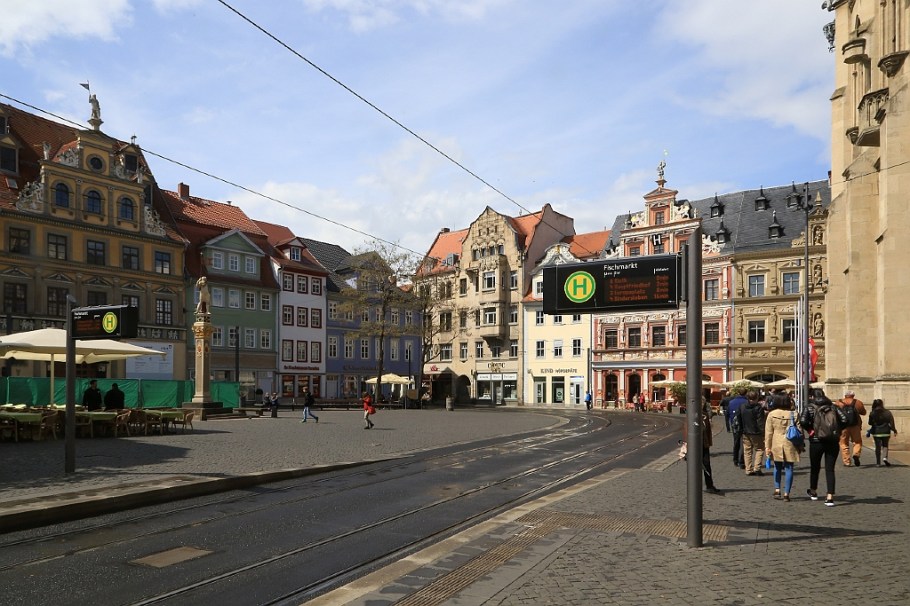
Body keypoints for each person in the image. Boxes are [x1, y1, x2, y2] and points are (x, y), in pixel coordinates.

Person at [800, 388, 840, 506]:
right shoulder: (833, 407)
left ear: (812, 396)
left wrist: (810, 430)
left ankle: (813, 491)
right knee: (830, 469)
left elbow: (802, 421)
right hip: (832, 441)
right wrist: (838, 430)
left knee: (815, 467)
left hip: (816, 441)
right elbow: (844, 419)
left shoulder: (809, 407)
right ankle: (830, 496)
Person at [764, 393, 801, 501]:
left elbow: (769, 433)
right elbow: (799, 430)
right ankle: (786, 493)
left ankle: (777, 489)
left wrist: (767, 447)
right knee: (789, 468)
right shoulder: (794, 414)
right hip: (790, 442)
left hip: (776, 441)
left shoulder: (772, 414)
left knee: (777, 467)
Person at [682, 397, 721, 494]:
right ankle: (694, 486)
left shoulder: (705, 415)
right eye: (701, 403)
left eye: (703, 403)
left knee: (707, 465)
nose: (702, 405)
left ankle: (709, 485)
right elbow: (687, 430)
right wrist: (686, 443)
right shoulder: (691, 415)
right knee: (694, 465)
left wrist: (709, 443)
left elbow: (708, 431)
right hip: (694, 445)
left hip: (704, 444)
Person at [738, 390, 767, 476]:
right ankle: (757, 468)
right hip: (756, 432)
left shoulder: (742, 406)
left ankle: (748, 469)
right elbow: (760, 422)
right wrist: (763, 432)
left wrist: (741, 429)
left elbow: (739, 419)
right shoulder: (758, 408)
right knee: (760, 449)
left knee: (747, 451)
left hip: (745, 431)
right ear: (756, 398)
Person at [836, 389, 867, 466]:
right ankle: (856, 454)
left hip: (843, 426)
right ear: (853, 396)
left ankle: (847, 461)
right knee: (857, 442)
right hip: (855, 425)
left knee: (843, 443)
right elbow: (864, 412)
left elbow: (834, 413)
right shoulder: (858, 402)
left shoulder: (838, 402)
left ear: (845, 395)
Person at [868, 399, 898, 466]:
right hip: (886, 431)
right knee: (885, 445)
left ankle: (878, 463)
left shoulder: (872, 413)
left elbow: (869, 423)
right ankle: (885, 458)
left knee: (877, 447)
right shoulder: (888, 412)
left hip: (876, 432)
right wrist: (894, 430)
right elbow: (892, 423)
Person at [727, 387, 748, 468]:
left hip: (734, 425)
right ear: (746, 393)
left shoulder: (731, 402)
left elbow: (727, 414)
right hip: (745, 425)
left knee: (736, 443)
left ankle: (735, 459)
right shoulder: (746, 402)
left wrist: (728, 425)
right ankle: (741, 461)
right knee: (743, 443)